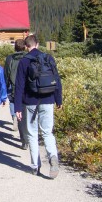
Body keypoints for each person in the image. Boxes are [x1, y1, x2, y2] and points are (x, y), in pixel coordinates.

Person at [14, 35, 63, 178]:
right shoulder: (48, 58)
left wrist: (17, 107)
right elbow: (57, 79)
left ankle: (35, 166)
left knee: (32, 134)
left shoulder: (24, 61)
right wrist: (58, 99)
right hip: (48, 100)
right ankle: (53, 157)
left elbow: (19, 86)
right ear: (38, 44)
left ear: (25, 46)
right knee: (47, 132)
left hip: (30, 102)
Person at [4, 39, 28, 149]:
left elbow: (6, 74)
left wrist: (5, 86)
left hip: (14, 88)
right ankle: (29, 137)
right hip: (28, 89)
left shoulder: (10, 58)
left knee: (18, 112)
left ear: (15, 47)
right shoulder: (29, 57)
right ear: (25, 47)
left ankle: (24, 140)